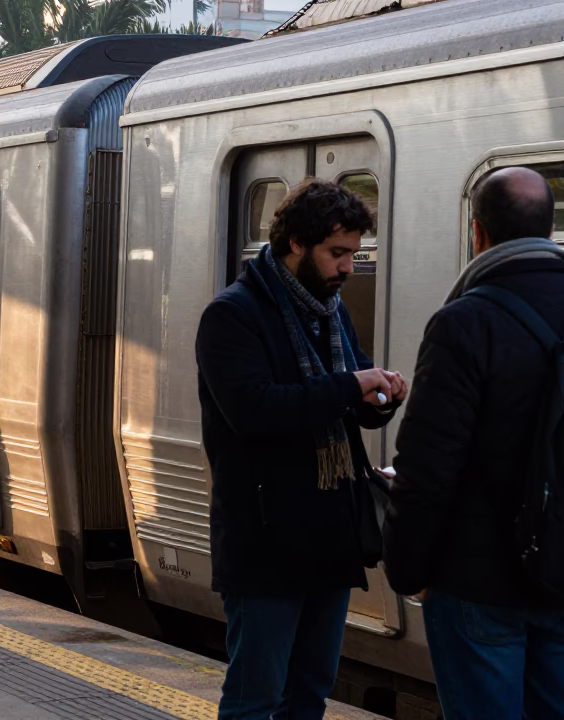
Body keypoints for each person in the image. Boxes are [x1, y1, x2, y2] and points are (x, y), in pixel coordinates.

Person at [195, 179, 408, 720]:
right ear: (294, 243)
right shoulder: (233, 315)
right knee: (255, 698)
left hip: (328, 538)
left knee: (310, 691)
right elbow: (256, 412)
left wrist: (380, 398)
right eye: (337, 253)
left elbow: (348, 407)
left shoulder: (329, 313)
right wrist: (350, 385)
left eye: (353, 254)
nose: (348, 268)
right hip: (266, 539)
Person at [385, 167, 564, 720]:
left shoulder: (465, 322)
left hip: (477, 581)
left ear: (478, 234)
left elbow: (430, 463)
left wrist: (408, 569)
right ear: (549, 226)